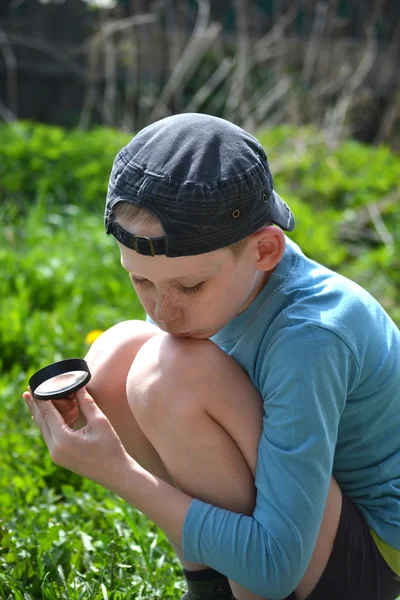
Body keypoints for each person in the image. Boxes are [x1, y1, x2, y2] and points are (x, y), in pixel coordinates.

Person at [24, 113, 400, 600]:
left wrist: (119, 472)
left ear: (265, 250)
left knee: (176, 375)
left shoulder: (312, 339)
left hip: (373, 553)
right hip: (311, 524)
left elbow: (276, 566)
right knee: (117, 359)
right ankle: (211, 588)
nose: (163, 312)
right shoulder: (236, 281)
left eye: (190, 286)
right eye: (141, 281)